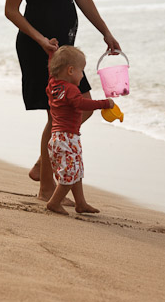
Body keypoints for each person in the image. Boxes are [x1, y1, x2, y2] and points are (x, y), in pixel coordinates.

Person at [5, 0, 120, 203]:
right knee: (56, 116)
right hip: (39, 49)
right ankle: (46, 187)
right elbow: (11, 10)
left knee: (83, 105)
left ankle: (42, 165)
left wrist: (105, 31)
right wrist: (41, 40)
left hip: (64, 47)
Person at [46, 45, 114, 215]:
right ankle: (54, 202)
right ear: (70, 70)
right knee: (70, 173)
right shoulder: (71, 89)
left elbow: (52, 70)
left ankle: (81, 203)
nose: (82, 75)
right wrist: (104, 103)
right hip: (68, 138)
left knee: (76, 171)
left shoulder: (53, 85)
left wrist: (52, 55)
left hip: (57, 138)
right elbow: (81, 103)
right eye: (81, 71)